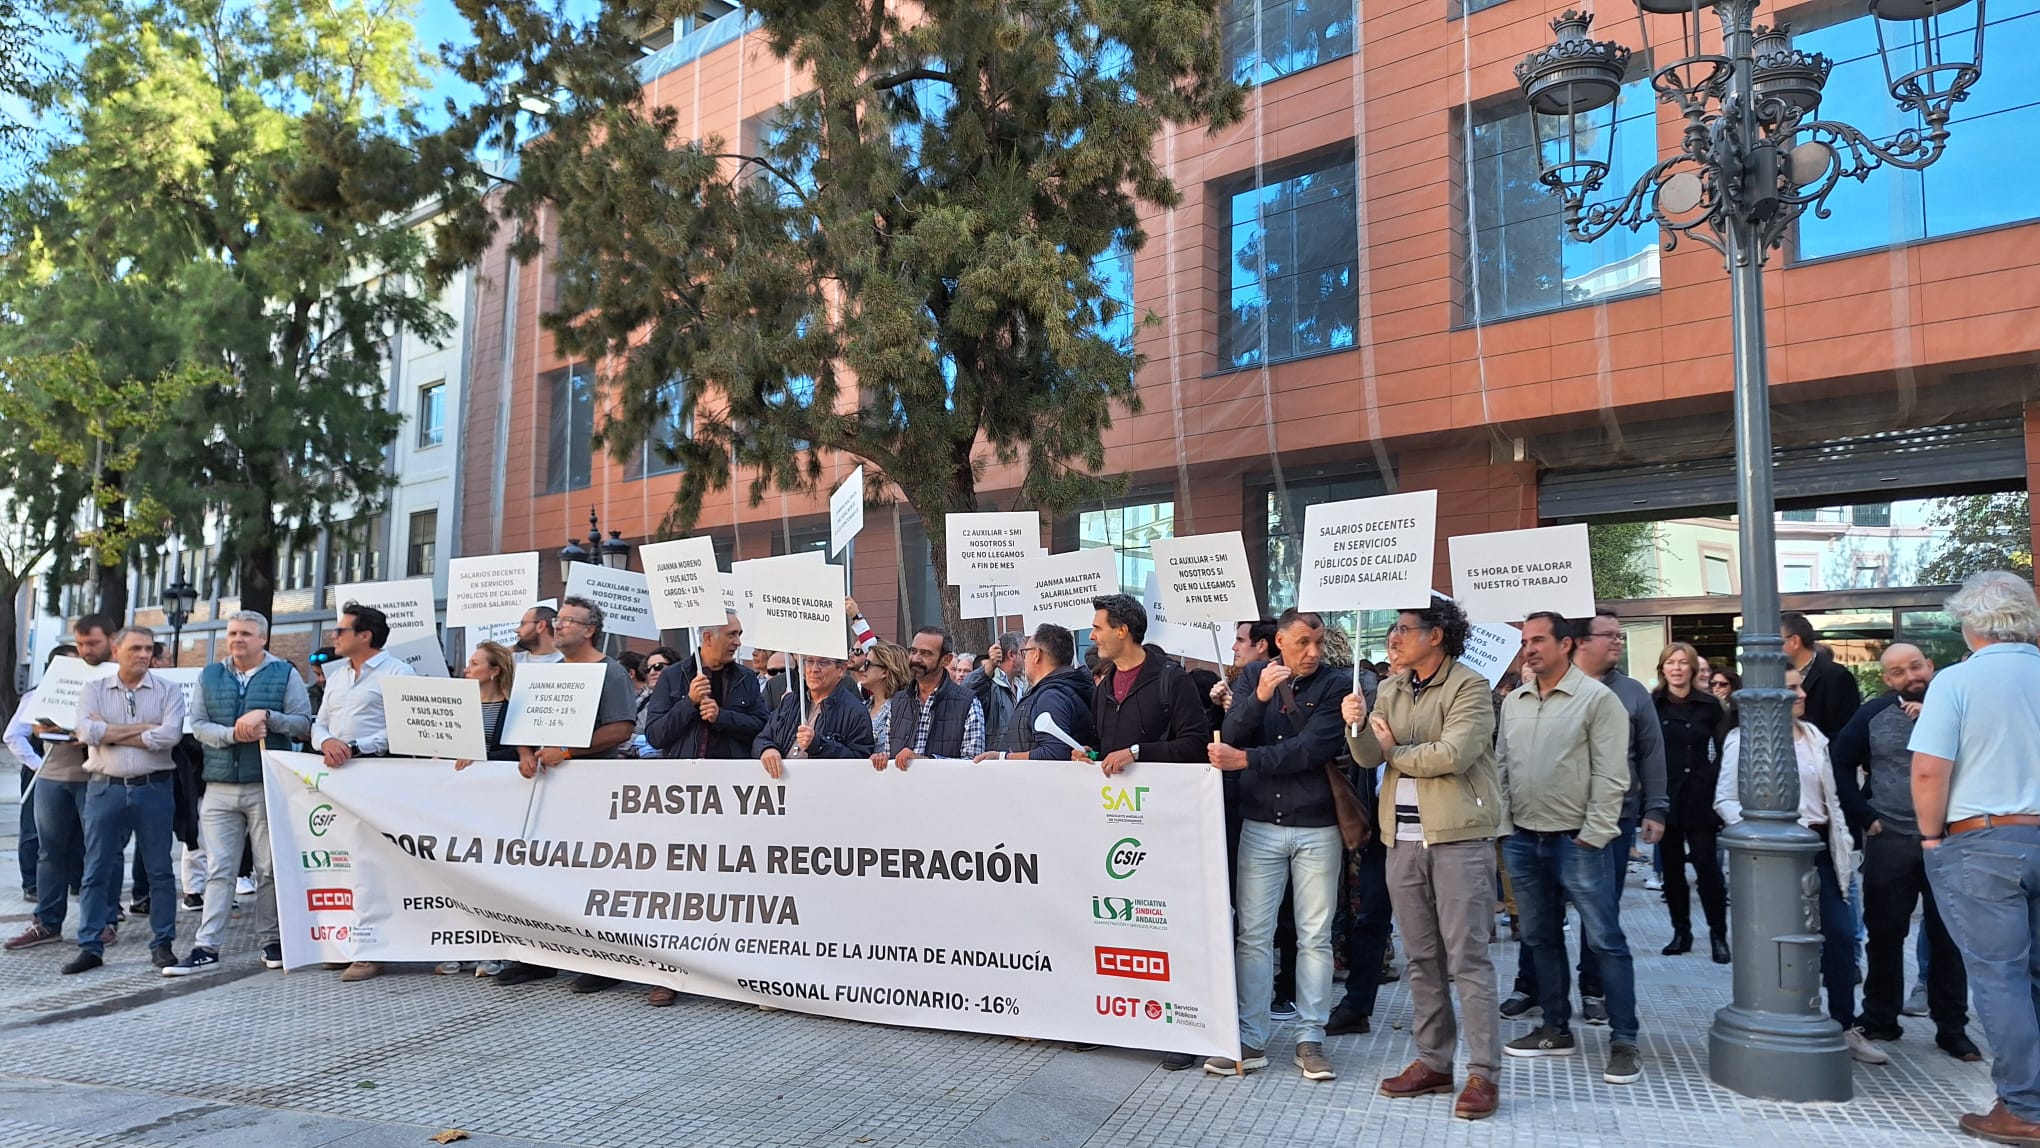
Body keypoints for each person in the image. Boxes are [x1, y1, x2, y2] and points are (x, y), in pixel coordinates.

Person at [1346, 597, 1505, 1121]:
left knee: (1468, 960)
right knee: (1420, 958)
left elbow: (1453, 755)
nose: (1393, 637)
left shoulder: (1470, 686)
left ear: (1436, 636)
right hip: (1402, 840)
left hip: (1459, 838)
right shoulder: (1389, 688)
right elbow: (1369, 757)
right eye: (1392, 628)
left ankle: (1483, 1072)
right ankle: (1434, 1061)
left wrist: (1395, 750)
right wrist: (1358, 727)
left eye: (1404, 629)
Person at [1909, 572, 2040, 1143]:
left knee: (1999, 978)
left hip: (1983, 841)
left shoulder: (1958, 682)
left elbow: (1930, 769)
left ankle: (2025, 1108)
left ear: (1971, 623)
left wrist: (1931, 839)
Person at [1205, 609, 1353, 1083]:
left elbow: (1314, 748)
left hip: (1317, 826)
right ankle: (1251, 1038)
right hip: (1261, 824)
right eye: (1304, 643)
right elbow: (1228, 734)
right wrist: (1260, 696)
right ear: (1280, 643)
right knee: (1253, 936)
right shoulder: (1251, 675)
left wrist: (1247, 759)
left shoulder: (1335, 685)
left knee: (1314, 937)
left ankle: (1311, 1037)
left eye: (1318, 642)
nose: (1313, 652)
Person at [1496, 612, 1641, 1085]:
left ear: (1566, 644)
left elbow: (1612, 773)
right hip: (1523, 839)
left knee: (1605, 941)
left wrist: (1595, 832)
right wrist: (1504, 827)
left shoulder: (1597, 700)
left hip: (1577, 841)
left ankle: (1624, 1041)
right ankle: (1554, 1028)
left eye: (1539, 640)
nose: (1529, 648)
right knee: (1539, 937)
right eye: (1525, 641)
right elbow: (1502, 765)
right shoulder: (1514, 702)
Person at [1715, 668, 1882, 1065]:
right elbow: (1724, 799)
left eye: (1800, 685)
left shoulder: (1816, 738)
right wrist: (1762, 835)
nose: (1803, 693)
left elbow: (1835, 797)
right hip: (1773, 855)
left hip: (1822, 849)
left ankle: (1844, 1024)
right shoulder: (1744, 740)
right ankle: (1782, 1021)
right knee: (1780, 941)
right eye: (1791, 688)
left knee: (1841, 936)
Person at [1076, 593, 1211, 1070]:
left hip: (1166, 826)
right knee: (1114, 925)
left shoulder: (1172, 681)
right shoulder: (1102, 684)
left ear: (1122, 631)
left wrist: (1136, 751)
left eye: (1097, 627)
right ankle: (1115, 1018)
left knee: (1170, 927)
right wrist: (1091, 754)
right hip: (1115, 823)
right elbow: (1107, 747)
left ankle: (1181, 1028)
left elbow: (1195, 744)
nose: (1091, 635)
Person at [1833, 643, 1976, 1060]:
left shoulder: (1960, 708)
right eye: (1898, 672)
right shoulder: (1871, 715)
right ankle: (1880, 1018)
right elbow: (1838, 762)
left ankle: (1952, 1028)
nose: (1911, 676)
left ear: (1931, 666)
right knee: (1885, 932)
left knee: (1949, 936)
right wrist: (1863, 815)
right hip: (1890, 836)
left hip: (1951, 838)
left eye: (1916, 666)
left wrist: (1934, 719)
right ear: (1887, 680)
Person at [497, 597, 639, 995]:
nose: (557, 627)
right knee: (545, 871)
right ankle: (540, 956)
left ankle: (603, 961)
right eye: (558, 620)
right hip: (549, 788)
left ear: (590, 630)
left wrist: (569, 751)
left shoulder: (609, 672)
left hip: (592, 786)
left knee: (592, 875)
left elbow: (621, 728)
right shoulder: (551, 672)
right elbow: (525, 724)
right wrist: (526, 753)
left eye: (567, 621)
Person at [165, 611, 313, 977]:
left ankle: (272, 940)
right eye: (232, 633)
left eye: (245, 633)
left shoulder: (284, 674)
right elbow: (197, 725)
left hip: (264, 784)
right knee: (219, 869)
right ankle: (207, 945)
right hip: (217, 787)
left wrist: (268, 717)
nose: (237, 639)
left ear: (263, 639)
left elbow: (302, 723)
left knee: (267, 868)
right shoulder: (210, 675)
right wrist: (232, 734)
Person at [1551, 609, 1666, 1024]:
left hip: (1614, 820)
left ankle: (1594, 987)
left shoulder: (1633, 693)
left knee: (1601, 912)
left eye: (1621, 636)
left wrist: (1656, 807)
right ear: (1579, 641)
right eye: (1609, 635)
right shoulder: (1551, 688)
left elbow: (1652, 754)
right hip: (1553, 820)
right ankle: (1536, 990)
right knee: (1543, 913)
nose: (1618, 642)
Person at [63, 627, 186, 975]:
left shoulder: (168, 690)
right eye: (135, 648)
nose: (143, 655)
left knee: (159, 870)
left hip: (154, 788)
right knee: (96, 869)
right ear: (117, 650)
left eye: (148, 649)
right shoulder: (94, 690)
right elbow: (86, 733)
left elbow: (169, 736)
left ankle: (162, 943)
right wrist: (143, 728)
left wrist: (112, 732)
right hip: (105, 788)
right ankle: (90, 945)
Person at [310, 603, 417, 981]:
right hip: (336, 782)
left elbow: (404, 730)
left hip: (376, 778)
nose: (334, 637)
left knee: (373, 867)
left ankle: (373, 950)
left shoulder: (399, 673)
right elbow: (319, 724)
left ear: (364, 636)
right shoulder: (337, 677)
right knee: (341, 863)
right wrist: (327, 743)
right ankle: (346, 942)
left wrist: (355, 747)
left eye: (341, 631)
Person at [7, 618, 117, 955]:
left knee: (100, 853)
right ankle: (48, 922)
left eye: (92, 644)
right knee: (49, 851)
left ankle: (104, 922)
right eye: (80, 644)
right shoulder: (56, 680)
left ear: (110, 641)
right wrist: (45, 730)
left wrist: (91, 733)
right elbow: (27, 728)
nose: (85, 651)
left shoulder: (116, 680)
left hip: (97, 776)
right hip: (54, 776)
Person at [1652, 642, 1729, 963]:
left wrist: (1715, 782)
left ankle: (1718, 934)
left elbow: (1726, 749)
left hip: (1701, 796)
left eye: (1683, 663)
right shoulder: (1653, 703)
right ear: (1663, 668)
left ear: (1693, 669)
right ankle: (1680, 931)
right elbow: (1645, 748)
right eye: (1671, 662)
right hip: (1666, 796)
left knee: (1707, 868)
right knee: (1671, 871)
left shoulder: (1709, 704)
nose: (1677, 668)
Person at [645, 615, 767, 762]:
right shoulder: (672, 676)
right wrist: (689, 702)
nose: (738, 642)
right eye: (731, 635)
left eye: (739, 634)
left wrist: (721, 717)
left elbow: (762, 727)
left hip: (733, 777)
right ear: (708, 637)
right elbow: (654, 736)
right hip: (685, 777)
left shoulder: (745, 677)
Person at [872, 627, 985, 770]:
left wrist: (925, 762)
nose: (915, 659)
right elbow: (890, 757)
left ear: (946, 660)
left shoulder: (968, 703)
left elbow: (974, 764)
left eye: (926, 654)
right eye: (913, 651)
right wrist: (880, 759)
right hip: (901, 790)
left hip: (945, 791)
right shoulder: (898, 702)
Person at [977, 625, 1095, 761]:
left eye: (1025, 652)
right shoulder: (1059, 690)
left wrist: (1003, 757)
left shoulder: (1051, 697)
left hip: (1040, 780)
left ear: (1037, 654)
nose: (1024, 659)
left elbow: (1054, 752)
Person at [754, 654, 876, 778]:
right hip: (783, 788)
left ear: (841, 669)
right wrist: (767, 749)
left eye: (823, 663)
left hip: (822, 789)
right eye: (809, 661)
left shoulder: (855, 711)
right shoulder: (790, 702)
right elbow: (762, 738)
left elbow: (860, 763)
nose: (814, 669)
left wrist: (819, 744)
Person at [1782, 612, 1860, 738]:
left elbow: (1845, 733)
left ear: (1795, 641)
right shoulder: (1774, 675)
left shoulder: (1837, 676)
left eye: (1777, 641)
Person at [454, 641, 522, 766]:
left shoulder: (512, 710)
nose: (466, 670)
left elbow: (517, 753)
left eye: (474, 664)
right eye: (469, 663)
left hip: (493, 780)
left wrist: (480, 758)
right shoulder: (458, 705)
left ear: (494, 671)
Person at [965, 632, 1024, 750]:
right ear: (1012, 655)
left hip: (1018, 759)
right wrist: (990, 665)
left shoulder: (1024, 685)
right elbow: (966, 690)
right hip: (995, 762)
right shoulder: (990, 684)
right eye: (1023, 653)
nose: (1027, 658)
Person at [859, 642, 911, 749]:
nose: (861, 669)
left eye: (867, 664)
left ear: (885, 671)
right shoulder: (862, 707)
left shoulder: (903, 709)